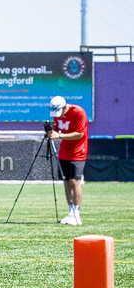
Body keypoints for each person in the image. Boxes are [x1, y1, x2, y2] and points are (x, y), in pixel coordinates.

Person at [48, 95, 88, 226]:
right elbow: (56, 128)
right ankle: (70, 212)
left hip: (78, 152)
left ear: (65, 107)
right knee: (66, 182)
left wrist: (59, 135)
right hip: (64, 151)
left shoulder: (78, 112)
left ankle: (77, 213)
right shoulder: (57, 115)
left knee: (75, 181)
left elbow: (80, 133)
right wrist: (50, 132)